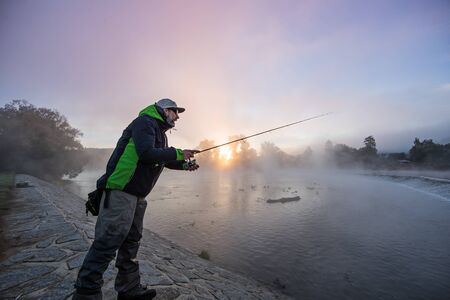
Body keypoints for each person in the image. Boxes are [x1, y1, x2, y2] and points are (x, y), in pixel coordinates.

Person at [73, 99, 199, 300]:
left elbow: (160, 159)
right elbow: (146, 153)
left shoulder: (160, 133)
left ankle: (129, 289)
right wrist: (178, 152)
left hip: (138, 195)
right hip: (121, 191)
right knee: (108, 242)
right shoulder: (145, 122)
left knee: (132, 243)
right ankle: (86, 291)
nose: (178, 116)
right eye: (176, 112)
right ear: (166, 110)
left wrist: (183, 164)